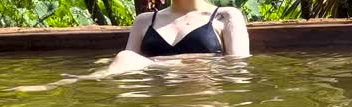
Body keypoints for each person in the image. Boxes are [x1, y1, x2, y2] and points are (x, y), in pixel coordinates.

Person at [105, 0, 250, 76]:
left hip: (202, 97)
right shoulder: (143, 21)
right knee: (124, 57)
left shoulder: (226, 16)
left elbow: (238, 69)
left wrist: (157, 64)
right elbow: (126, 74)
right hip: (155, 99)